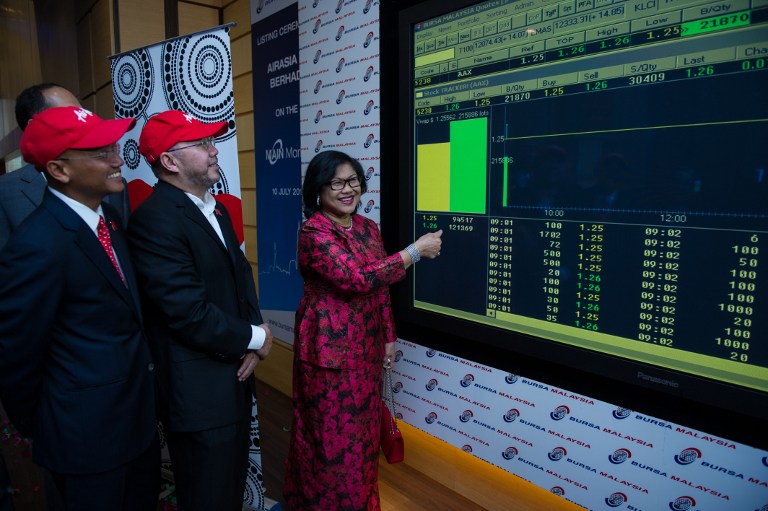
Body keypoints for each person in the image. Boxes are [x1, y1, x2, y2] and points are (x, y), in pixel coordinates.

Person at [0, 106, 159, 510]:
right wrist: (50, 425)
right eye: (100, 151)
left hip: (134, 425)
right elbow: (16, 354)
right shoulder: (37, 244)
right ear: (59, 170)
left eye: (114, 147)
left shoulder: (107, 221)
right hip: (85, 439)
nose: (118, 159)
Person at [127, 110, 273, 511]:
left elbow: (240, 277)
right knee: (208, 497)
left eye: (212, 142)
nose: (215, 151)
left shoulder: (215, 208)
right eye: (202, 144)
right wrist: (258, 337)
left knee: (229, 493)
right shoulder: (154, 221)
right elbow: (187, 311)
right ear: (170, 162)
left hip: (235, 379)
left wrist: (254, 336)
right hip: (199, 397)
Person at [283, 150, 442, 510]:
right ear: (318, 190)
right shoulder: (313, 232)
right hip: (328, 351)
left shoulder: (367, 227)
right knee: (328, 439)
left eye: (353, 180)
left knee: (363, 437)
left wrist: (387, 335)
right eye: (336, 182)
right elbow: (357, 278)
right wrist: (414, 252)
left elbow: (379, 286)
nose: (347, 189)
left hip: (367, 346)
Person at [0, 83, 131, 251]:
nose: (81, 116)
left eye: (80, 109)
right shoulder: (6, 193)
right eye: (68, 113)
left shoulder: (112, 189)